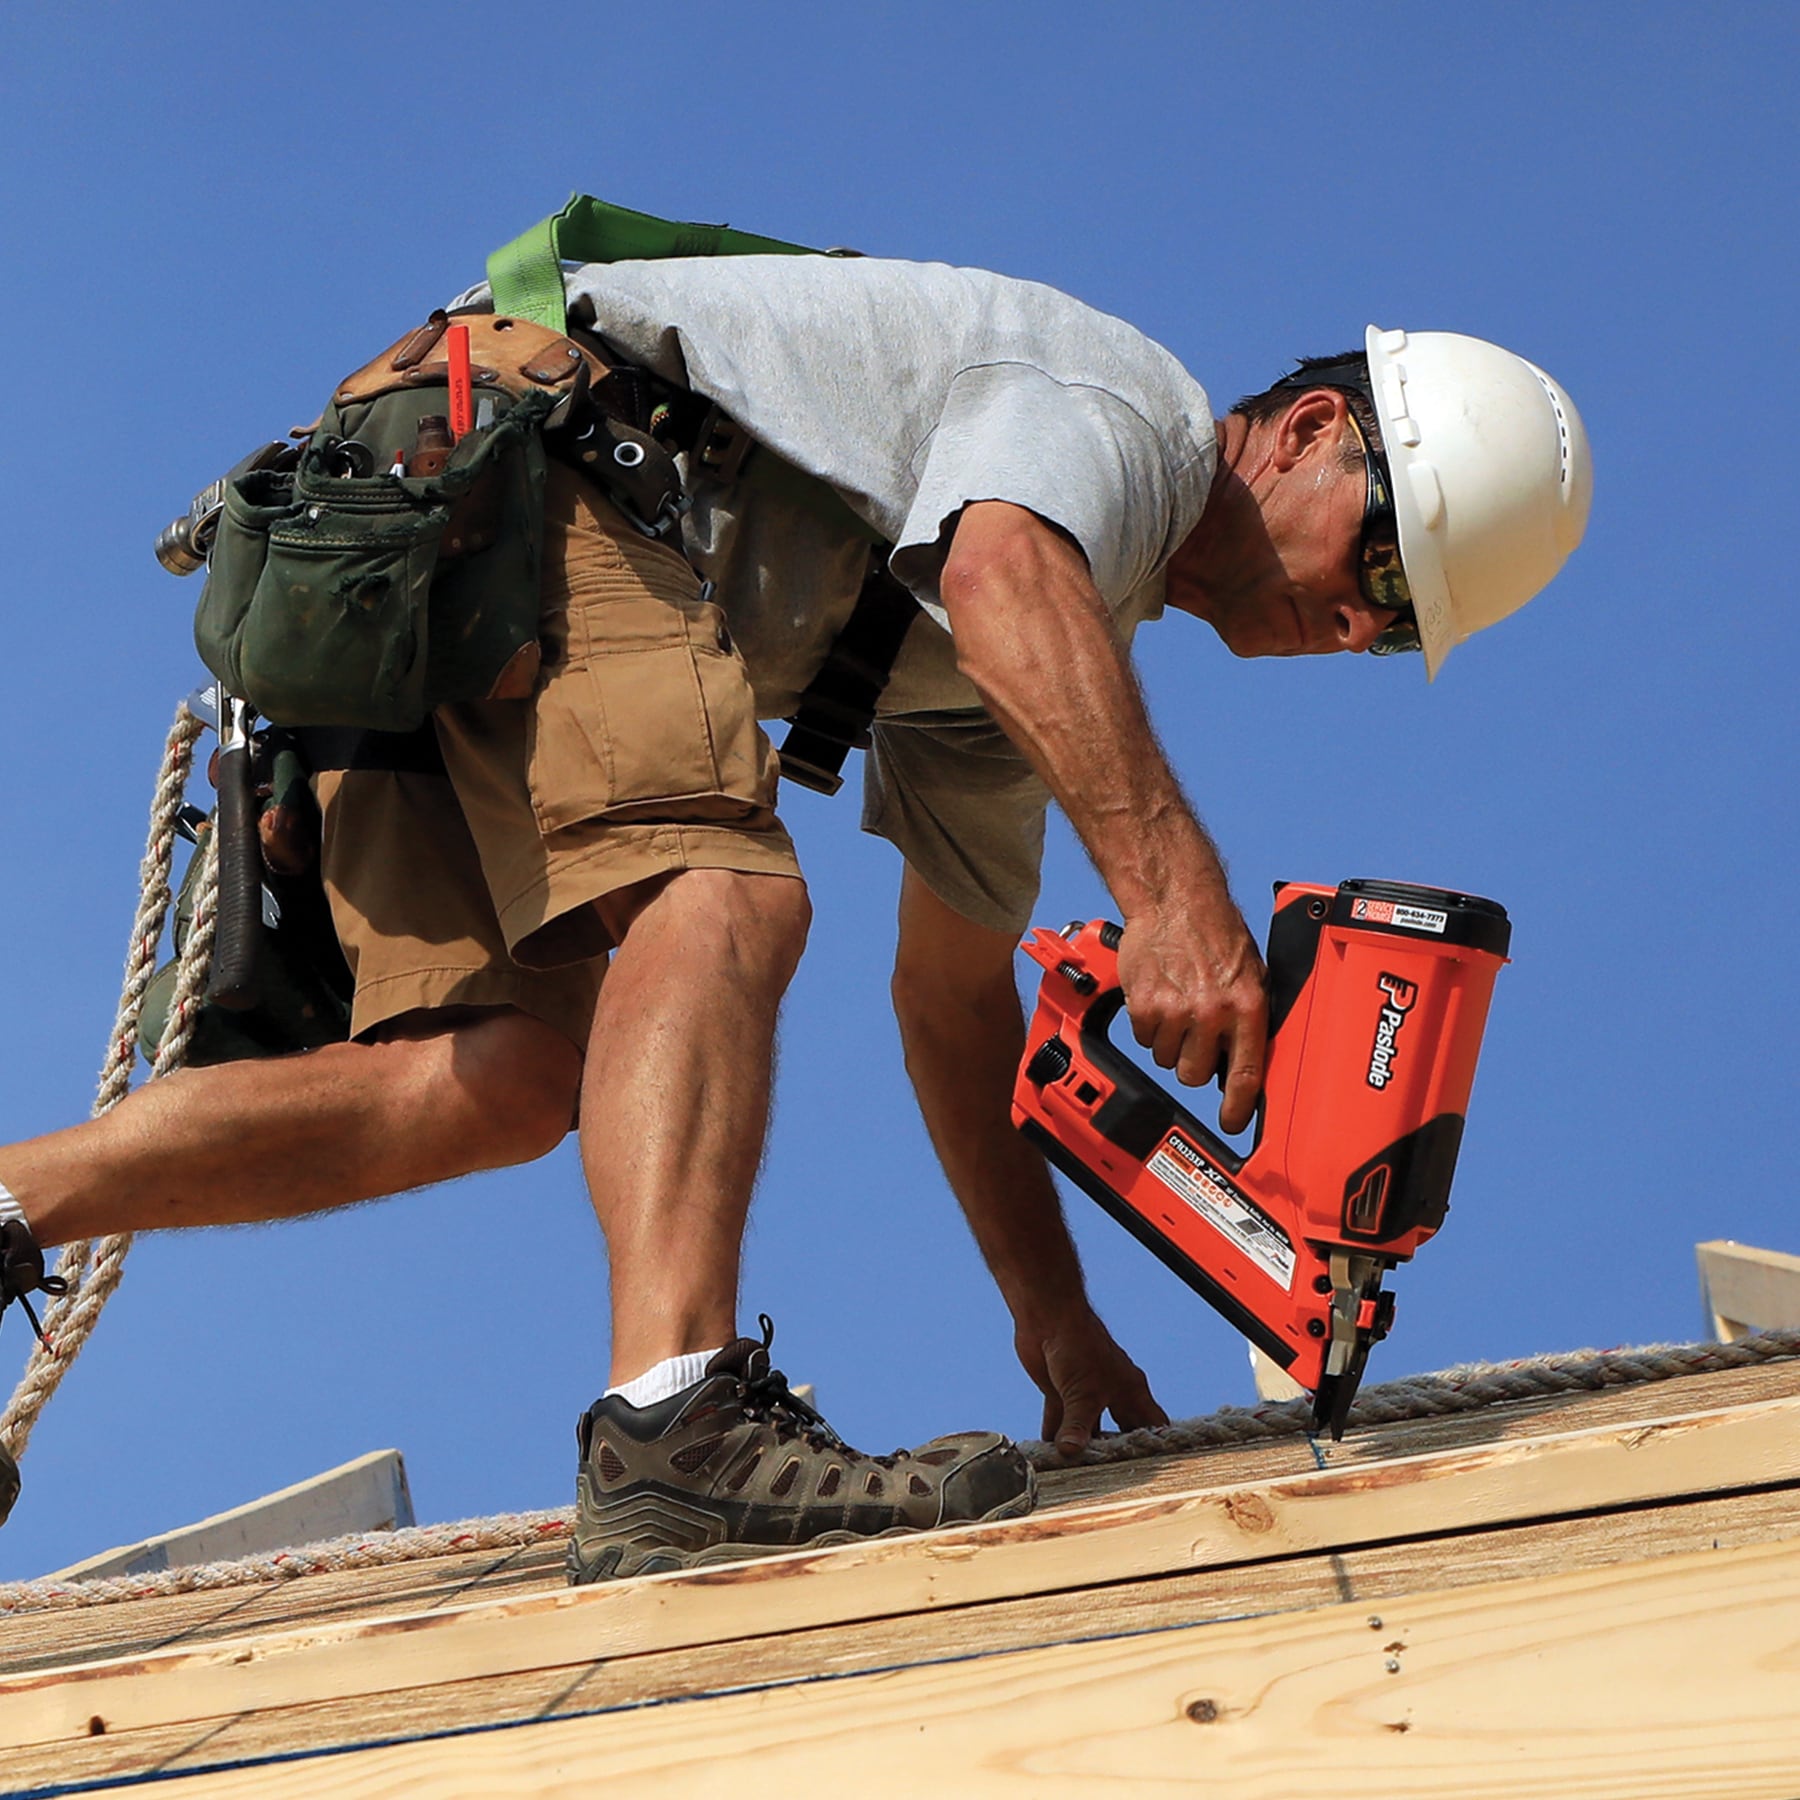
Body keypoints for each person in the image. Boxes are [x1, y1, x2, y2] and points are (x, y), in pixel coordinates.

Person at [0, 256, 1591, 1578]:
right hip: (526, 466)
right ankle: (671, 1432)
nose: (1357, 618)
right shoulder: (1128, 427)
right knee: (725, 887)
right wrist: (1178, 901)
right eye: (1384, 555)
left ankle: (12, 1204)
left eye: (1395, 632)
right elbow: (1004, 564)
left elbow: (952, 1007)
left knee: (502, 1080)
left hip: (444, 554)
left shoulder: (1007, 680)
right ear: (1310, 429)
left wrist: (1053, 1314)